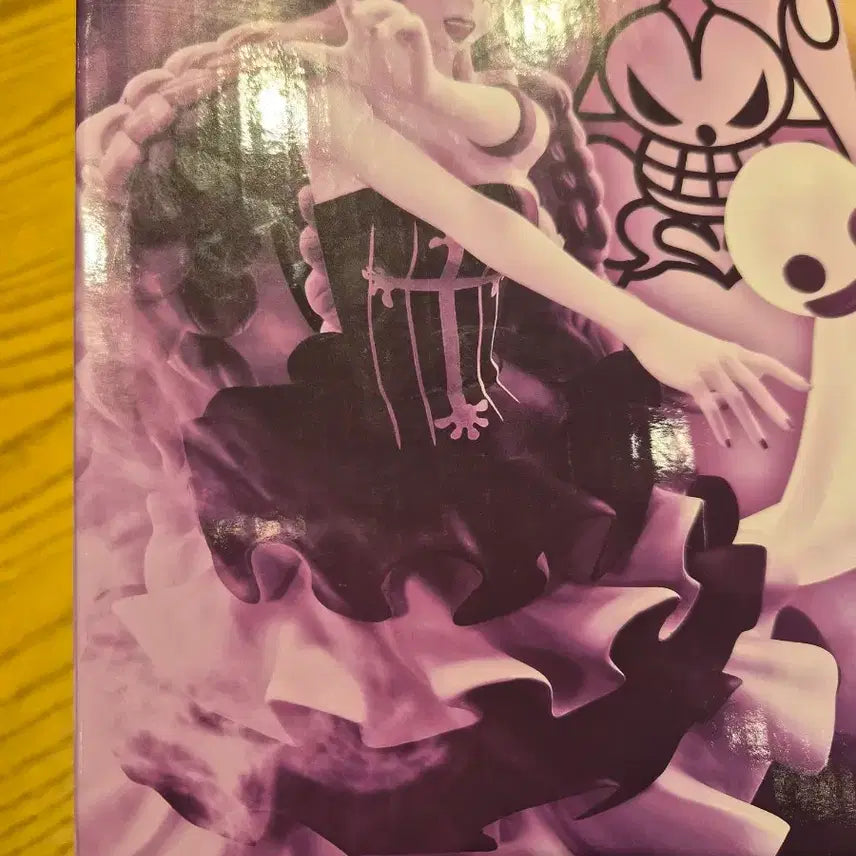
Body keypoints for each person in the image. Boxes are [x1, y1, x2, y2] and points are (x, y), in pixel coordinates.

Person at [76, 2, 839, 854]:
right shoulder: (326, 102)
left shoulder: (489, 96)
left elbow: (510, 136)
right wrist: (652, 327)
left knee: (579, 681)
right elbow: (479, 222)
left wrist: (431, 86)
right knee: (427, 722)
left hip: (502, 446)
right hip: (377, 472)